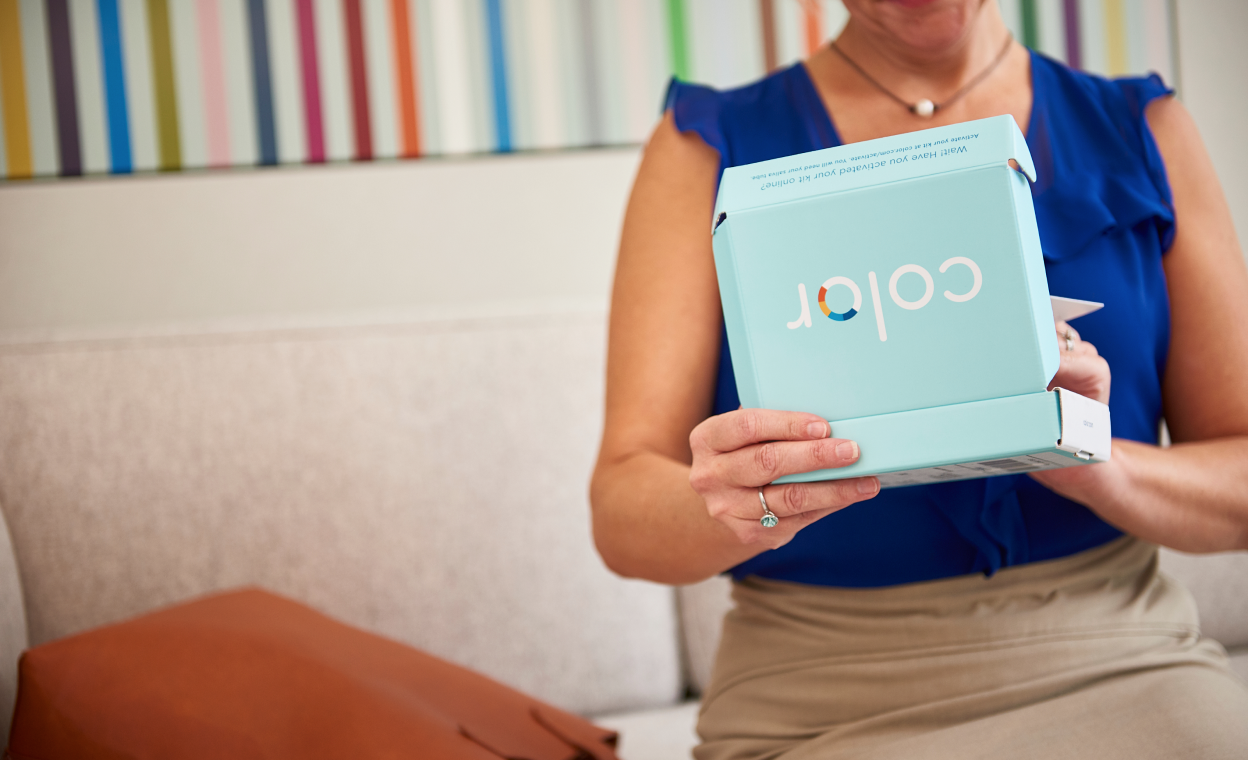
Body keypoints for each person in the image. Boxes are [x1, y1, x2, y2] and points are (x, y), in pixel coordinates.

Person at [589, 0, 1248, 757]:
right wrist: (742, 498)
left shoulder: (1147, 128)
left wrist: (1094, 457)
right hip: (819, 694)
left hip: (1125, 657)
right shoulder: (700, 148)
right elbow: (620, 516)